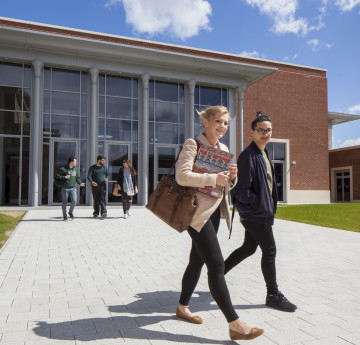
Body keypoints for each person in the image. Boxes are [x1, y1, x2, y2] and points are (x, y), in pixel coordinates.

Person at [175, 105, 264, 341]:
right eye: (218, 122)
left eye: (225, 123)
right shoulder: (193, 144)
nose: (222, 127)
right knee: (216, 265)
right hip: (196, 214)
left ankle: (182, 307)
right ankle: (235, 324)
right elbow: (181, 176)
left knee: (196, 260)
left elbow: (224, 186)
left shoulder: (223, 148)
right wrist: (215, 176)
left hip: (215, 212)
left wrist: (231, 178)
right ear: (206, 122)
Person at [224, 111, 297, 312]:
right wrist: (259, 205)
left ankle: (218, 273)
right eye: (261, 130)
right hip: (256, 214)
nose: (265, 133)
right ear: (252, 132)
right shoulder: (248, 155)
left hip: (260, 212)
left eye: (268, 130)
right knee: (270, 250)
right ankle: (273, 295)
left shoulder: (263, 153)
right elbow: (241, 190)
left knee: (249, 247)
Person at [55, 156, 85, 221]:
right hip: (65, 188)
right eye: (75, 161)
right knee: (64, 202)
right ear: (71, 162)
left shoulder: (75, 169)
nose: (76, 162)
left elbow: (77, 177)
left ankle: (70, 212)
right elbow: (57, 176)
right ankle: (65, 216)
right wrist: (65, 177)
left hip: (73, 188)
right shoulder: (63, 169)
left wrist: (80, 183)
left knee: (74, 201)